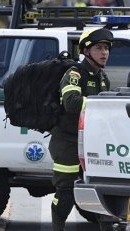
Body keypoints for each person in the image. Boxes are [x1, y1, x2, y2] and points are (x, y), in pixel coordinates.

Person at [49, 28, 113, 231]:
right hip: (67, 143)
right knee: (66, 193)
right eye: (99, 48)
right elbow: (71, 102)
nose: (104, 53)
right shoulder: (74, 74)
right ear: (86, 51)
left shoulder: (103, 78)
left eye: (106, 49)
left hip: (91, 143)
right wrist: (98, 104)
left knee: (99, 190)